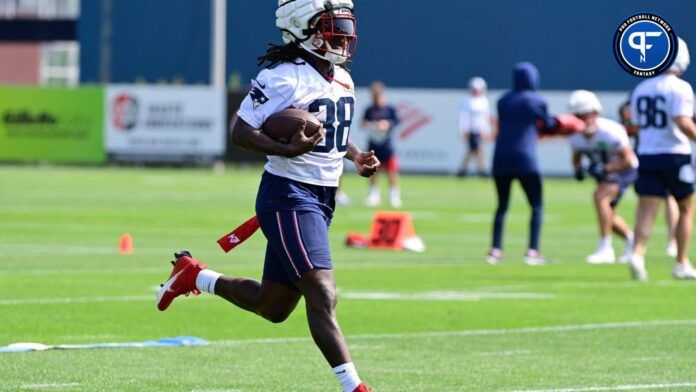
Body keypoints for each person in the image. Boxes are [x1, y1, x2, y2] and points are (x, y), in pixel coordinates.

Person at [156, 1, 377, 391]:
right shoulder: (283, 76)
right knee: (322, 291)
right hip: (288, 195)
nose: (342, 35)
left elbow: (331, 128)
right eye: (332, 26)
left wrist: (356, 156)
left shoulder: (342, 78)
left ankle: (195, 275)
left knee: (273, 307)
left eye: (344, 26)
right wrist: (285, 150)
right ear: (302, 28)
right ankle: (354, 387)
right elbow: (240, 131)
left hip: (321, 198)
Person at [628, 37, 696, 281]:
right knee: (686, 207)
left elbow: (635, 125)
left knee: (646, 209)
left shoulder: (642, 87)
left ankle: (637, 253)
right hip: (675, 155)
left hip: (647, 154)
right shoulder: (680, 88)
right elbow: (682, 121)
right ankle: (681, 262)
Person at [487, 62, 554, 265]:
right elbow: (548, 124)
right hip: (526, 158)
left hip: (500, 157)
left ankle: (495, 250)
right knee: (536, 205)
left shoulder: (503, 100)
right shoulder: (536, 101)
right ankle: (532, 251)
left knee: (501, 205)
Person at [567, 90, 638, 264]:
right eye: (579, 116)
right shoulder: (575, 136)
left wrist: (606, 167)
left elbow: (629, 161)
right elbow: (576, 157)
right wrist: (578, 170)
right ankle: (631, 239)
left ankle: (606, 249)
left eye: (586, 115)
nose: (584, 120)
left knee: (600, 198)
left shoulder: (610, 131)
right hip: (606, 173)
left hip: (623, 170)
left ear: (595, 113)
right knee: (608, 215)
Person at [619, 101, 679, 258]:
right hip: (666, 154)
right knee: (659, 200)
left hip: (650, 154)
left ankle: (640, 250)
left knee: (655, 201)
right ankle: (646, 248)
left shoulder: (643, 95)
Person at [362, 81, 402, 207]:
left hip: (386, 143)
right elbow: (364, 122)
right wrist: (369, 125)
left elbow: (396, 121)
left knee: (392, 170)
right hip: (374, 143)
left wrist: (387, 124)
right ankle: (374, 194)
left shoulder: (389, 108)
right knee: (373, 170)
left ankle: (394, 195)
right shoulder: (369, 109)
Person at [458, 76, 492, 177]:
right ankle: (480, 169)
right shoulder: (467, 101)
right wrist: (463, 129)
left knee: (473, 150)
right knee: (476, 149)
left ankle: (464, 170)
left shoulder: (484, 101)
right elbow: (464, 117)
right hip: (471, 130)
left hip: (480, 130)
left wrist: (486, 130)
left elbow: (486, 117)